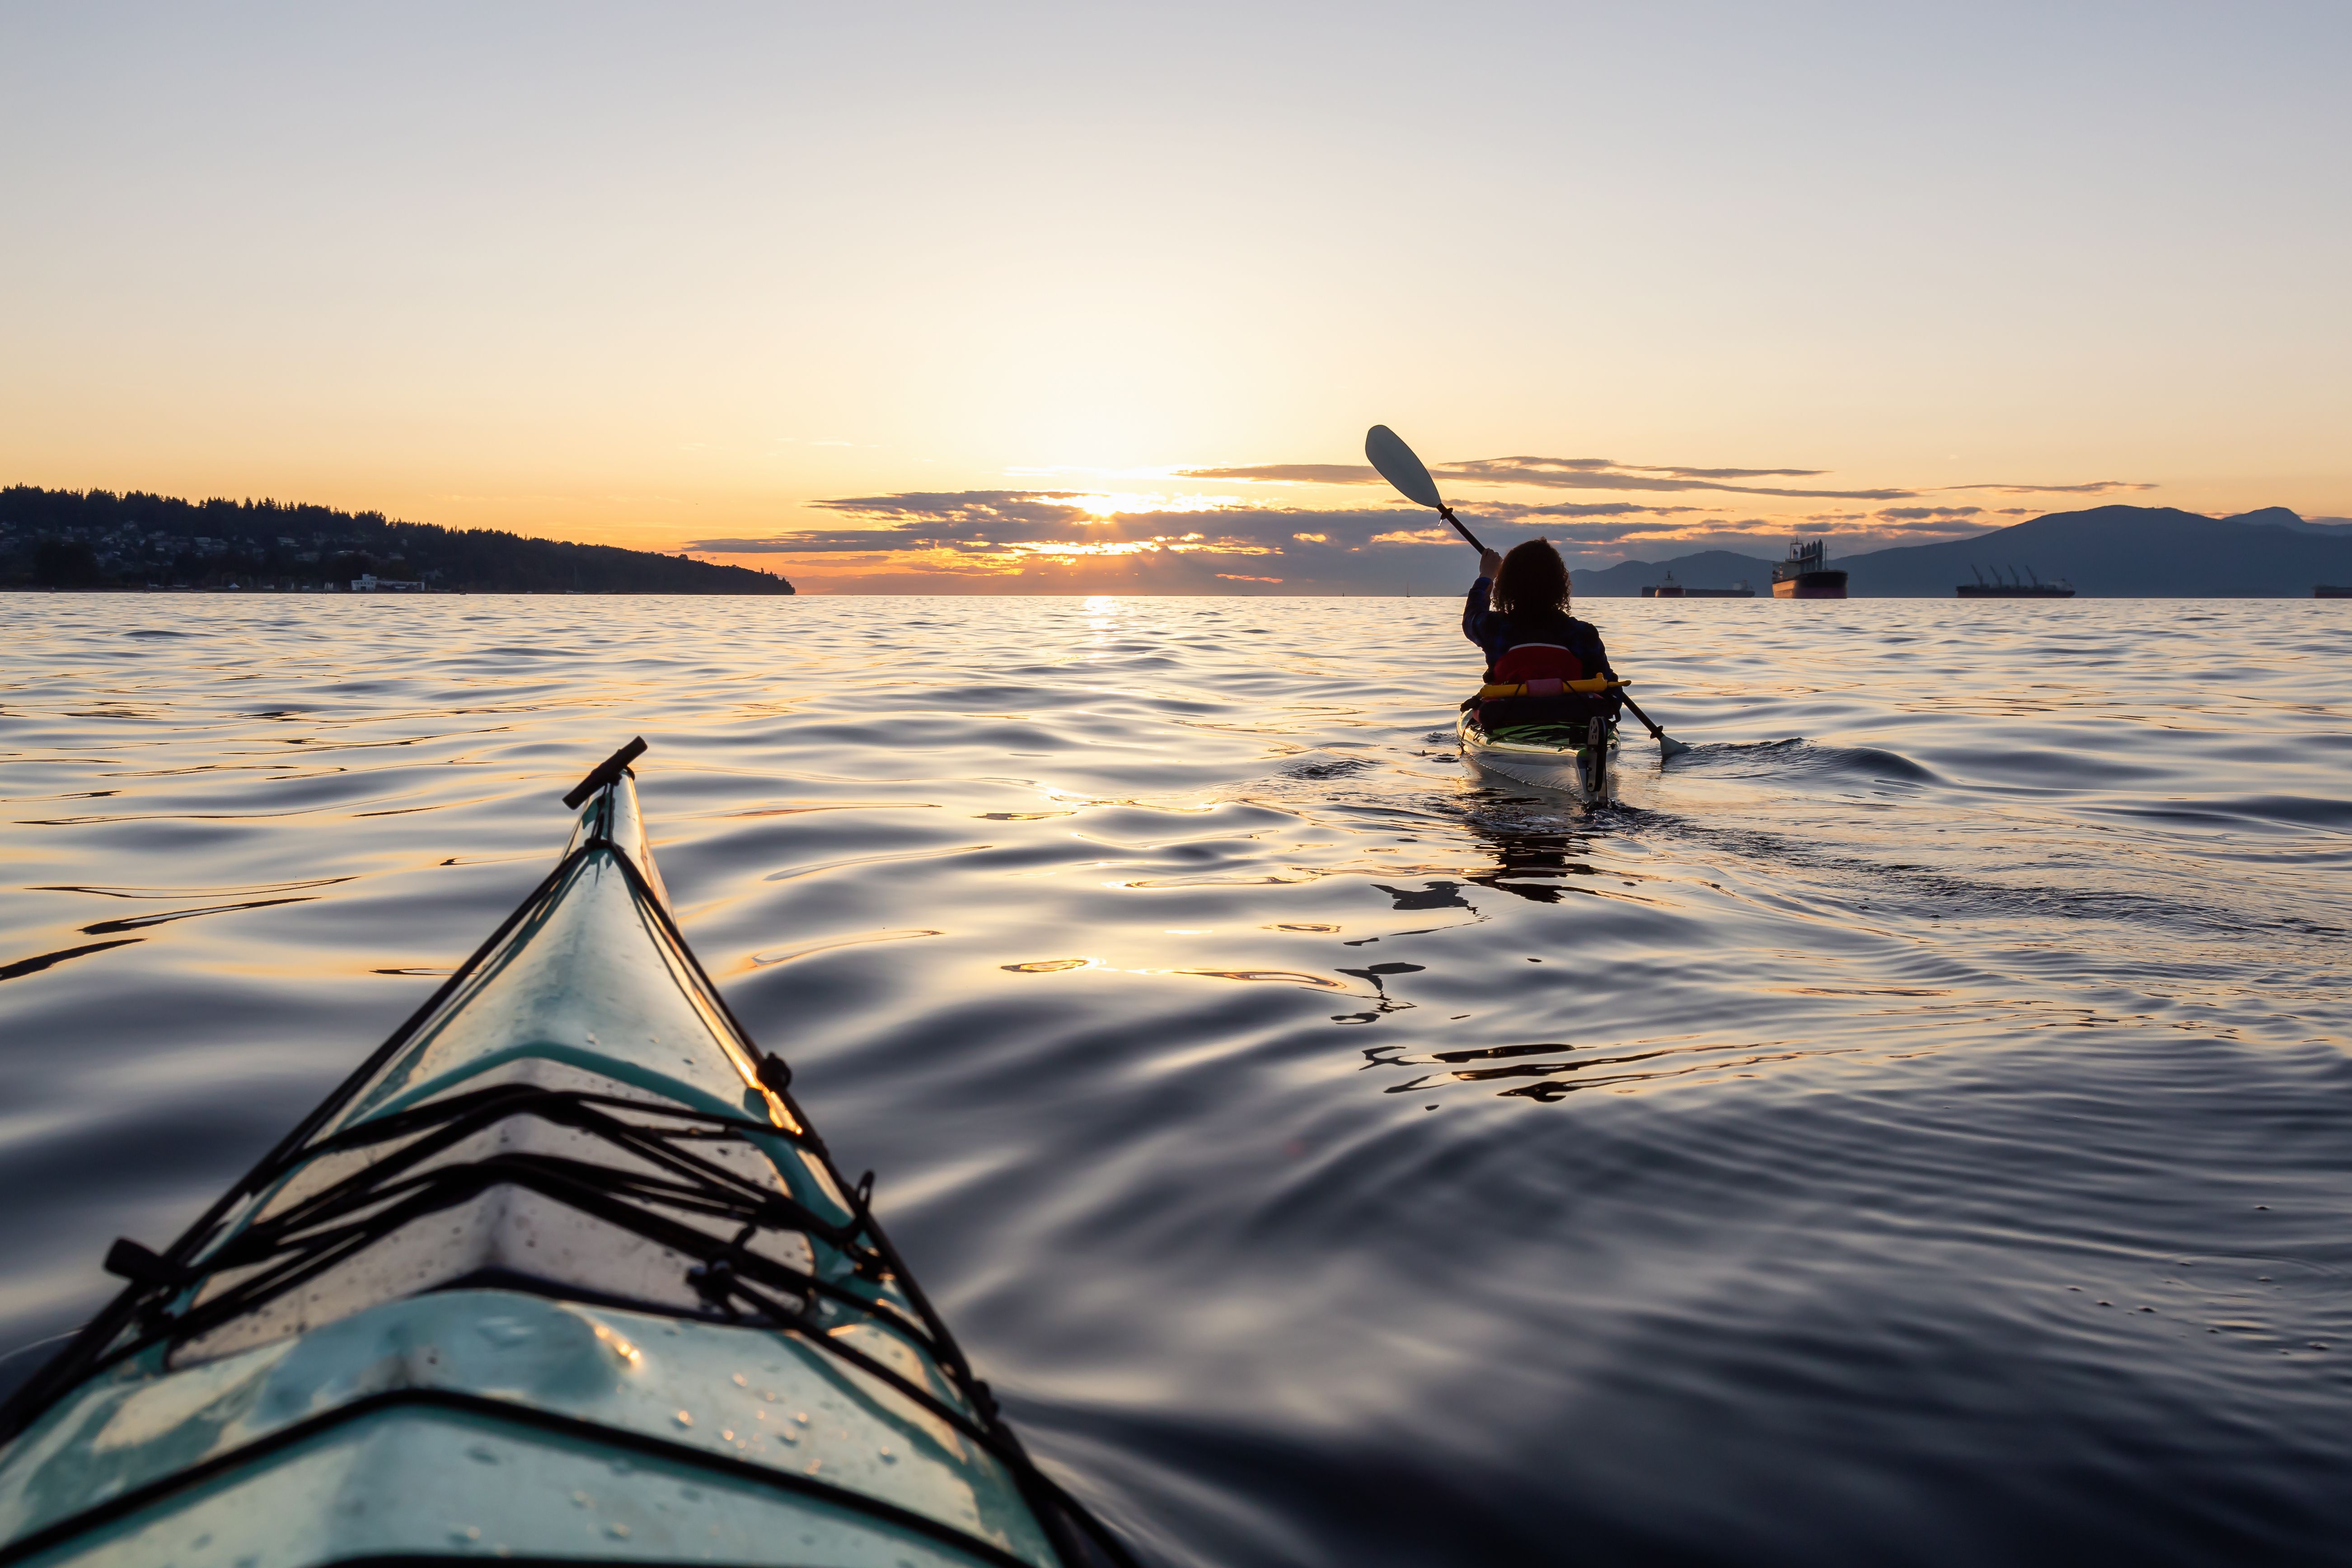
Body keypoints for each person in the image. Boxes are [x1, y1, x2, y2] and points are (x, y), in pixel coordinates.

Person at [1462, 539, 1614, 687]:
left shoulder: (1495, 629)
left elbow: (1472, 616)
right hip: (1570, 711)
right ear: (1561, 584)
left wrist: (1486, 575)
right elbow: (1609, 689)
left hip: (1509, 711)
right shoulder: (1583, 635)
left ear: (1506, 585)